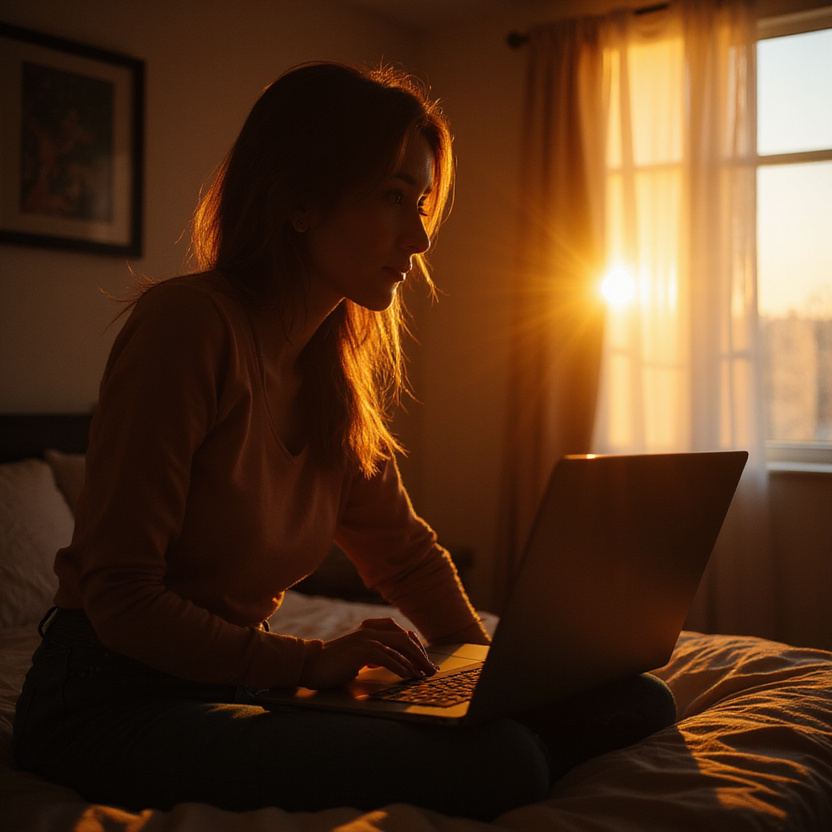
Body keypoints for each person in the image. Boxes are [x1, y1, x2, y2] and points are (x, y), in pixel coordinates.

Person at [13, 62, 676, 820]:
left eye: (421, 203)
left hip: (239, 684)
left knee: (636, 704)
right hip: (110, 704)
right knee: (505, 764)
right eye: (394, 198)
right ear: (298, 199)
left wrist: (490, 681)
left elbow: (405, 555)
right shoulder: (188, 327)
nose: (420, 236)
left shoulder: (330, 369)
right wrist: (310, 660)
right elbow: (122, 597)